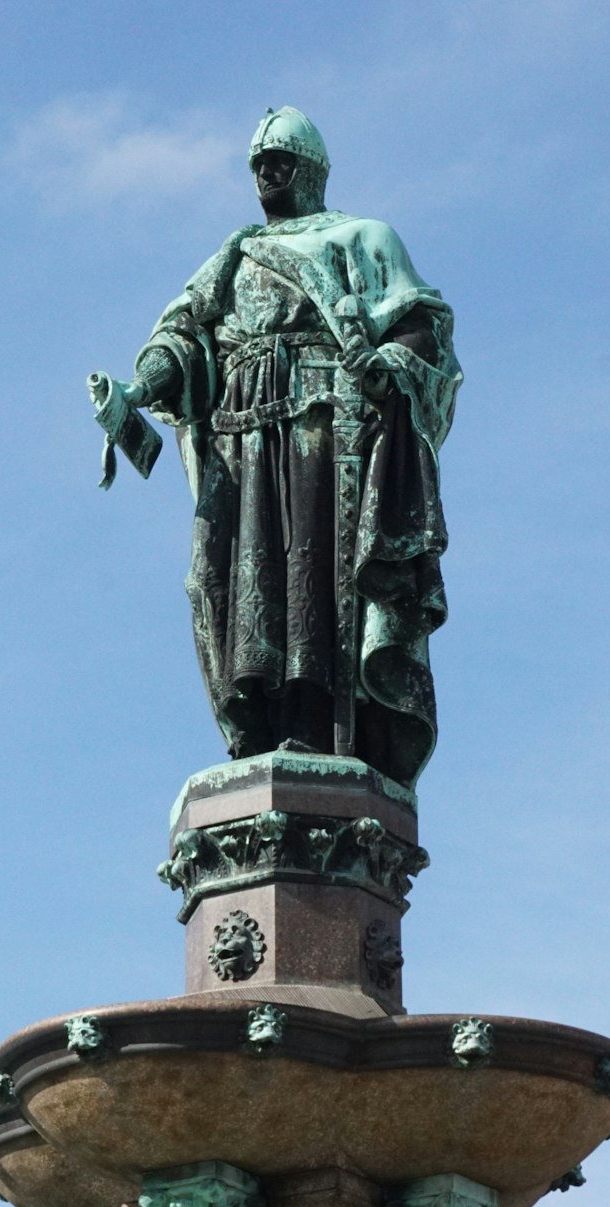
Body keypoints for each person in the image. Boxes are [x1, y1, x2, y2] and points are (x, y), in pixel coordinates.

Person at [109, 106, 461, 788]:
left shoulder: (363, 238)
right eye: (257, 162)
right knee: (232, 584)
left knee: (314, 577)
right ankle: (261, 719)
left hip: (325, 435)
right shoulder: (233, 256)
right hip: (243, 444)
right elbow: (184, 340)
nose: (266, 171)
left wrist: (388, 365)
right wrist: (133, 389)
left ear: (313, 169)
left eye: (280, 159)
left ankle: (321, 724)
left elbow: (424, 331)